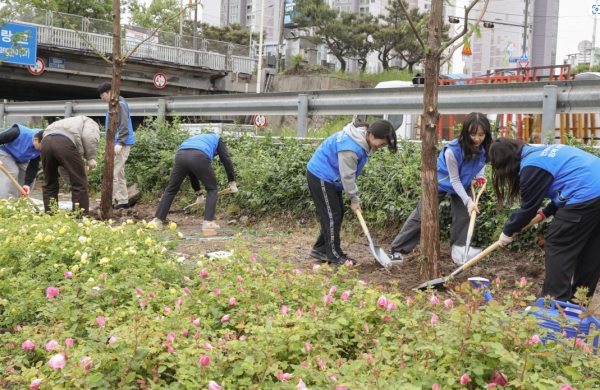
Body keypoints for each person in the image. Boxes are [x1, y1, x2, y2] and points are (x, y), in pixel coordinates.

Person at [489, 138, 600, 302]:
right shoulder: (540, 152)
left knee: (557, 243)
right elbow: (568, 183)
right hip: (592, 188)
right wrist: (547, 212)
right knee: (591, 247)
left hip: (587, 193)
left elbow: (527, 209)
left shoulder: (531, 167)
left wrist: (508, 231)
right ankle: (580, 302)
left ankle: (555, 303)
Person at [390, 112, 492, 264]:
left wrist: (480, 176)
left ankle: (458, 253)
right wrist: (468, 200)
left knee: (465, 216)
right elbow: (454, 180)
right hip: (442, 182)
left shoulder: (485, 146)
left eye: (481, 135)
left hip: (463, 183)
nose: (477, 139)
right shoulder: (453, 150)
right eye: (473, 134)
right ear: (465, 132)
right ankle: (398, 249)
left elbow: (480, 163)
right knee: (423, 214)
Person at [306, 119, 397, 266]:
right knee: (332, 215)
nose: (381, 147)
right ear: (372, 135)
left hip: (330, 178)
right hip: (321, 174)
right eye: (382, 143)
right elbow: (347, 176)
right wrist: (354, 199)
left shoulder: (360, 139)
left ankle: (320, 249)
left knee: (336, 212)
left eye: (384, 145)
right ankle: (335, 256)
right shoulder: (351, 147)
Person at [150, 133, 237, 234]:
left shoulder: (196, 139)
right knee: (212, 189)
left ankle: (157, 221)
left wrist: (199, 194)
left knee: (171, 189)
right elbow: (226, 160)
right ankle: (208, 223)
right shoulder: (217, 139)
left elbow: (192, 171)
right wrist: (232, 182)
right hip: (199, 156)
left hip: (180, 156)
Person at [40, 116, 100, 214]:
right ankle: (80, 216)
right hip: (65, 143)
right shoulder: (89, 121)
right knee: (80, 183)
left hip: (46, 143)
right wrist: (90, 157)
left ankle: (50, 215)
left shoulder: (64, 122)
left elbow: (63, 167)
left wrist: (70, 181)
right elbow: (90, 137)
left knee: (49, 183)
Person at [97, 82, 135, 210]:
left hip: (121, 144)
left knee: (111, 174)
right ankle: (123, 201)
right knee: (119, 174)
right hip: (115, 145)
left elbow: (124, 126)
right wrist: (108, 147)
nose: (102, 98)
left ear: (110, 93)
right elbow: (111, 129)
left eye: (103, 95)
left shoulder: (120, 105)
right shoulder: (112, 106)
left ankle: (108, 203)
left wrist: (120, 143)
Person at [0, 124, 43, 200]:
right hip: (5, 152)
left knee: (30, 179)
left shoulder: (42, 148)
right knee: (13, 172)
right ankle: (8, 204)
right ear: (36, 140)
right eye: (41, 147)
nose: (41, 150)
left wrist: (27, 184)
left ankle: (21, 204)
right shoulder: (17, 132)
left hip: (21, 159)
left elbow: (33, 167)